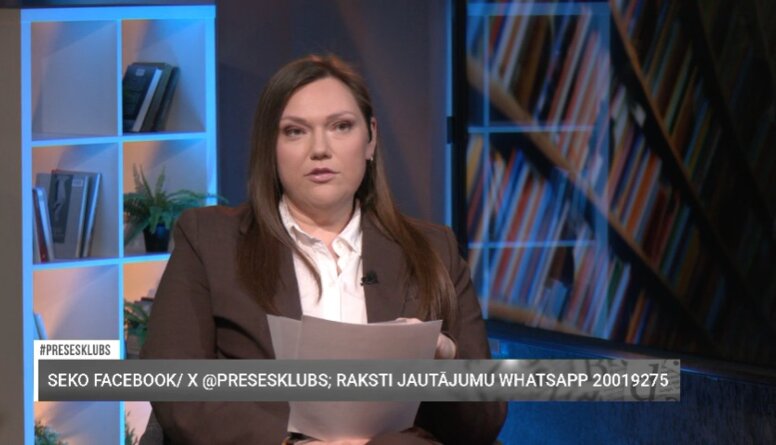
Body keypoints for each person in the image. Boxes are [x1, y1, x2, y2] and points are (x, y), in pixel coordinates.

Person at [141, 54, 507, 445]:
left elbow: (482, 425)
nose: (320, 149)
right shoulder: (210, 240)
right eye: (295, 131)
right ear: (271, 147)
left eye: (341, 126)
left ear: (370, 139)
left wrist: (444, 356)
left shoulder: (433, 250)